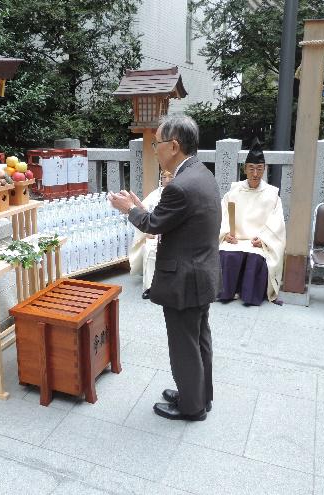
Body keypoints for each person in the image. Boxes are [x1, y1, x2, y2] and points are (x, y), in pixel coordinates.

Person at [108, 115, 221, 421]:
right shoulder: (201, 173)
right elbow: (169, 220)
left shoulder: (179, 186)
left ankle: (192, 407)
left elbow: (154, 225)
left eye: (156, 143)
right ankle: (200, 396)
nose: (154, 149)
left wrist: (129, 210)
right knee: (199, 339)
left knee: (184, 345)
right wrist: (142, 209)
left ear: (174, 145)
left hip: (185, 278)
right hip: (202, 272)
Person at [218, 138, 286, 305]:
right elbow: (223, 214)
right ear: (245, 169)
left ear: (264, 169)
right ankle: (226, 292)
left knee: (256, 257)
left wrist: (263, 240)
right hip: (236, 239)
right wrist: (226, 234)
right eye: (251, 169)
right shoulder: (233, 192)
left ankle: (249, 296)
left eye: (259, 169)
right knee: (227, 253)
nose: (255, 174)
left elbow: (276, 223)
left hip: (258, 241)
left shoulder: (272, 194)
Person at [128, 170, 173, 299]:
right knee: (150, 249)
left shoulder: (182, 194)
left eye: (171, 176)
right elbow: (144, 215)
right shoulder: (154, 195)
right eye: (164, 177)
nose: (167, 180)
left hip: (174, 235)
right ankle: (150, 287)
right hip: (156, 234)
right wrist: (147, 232)